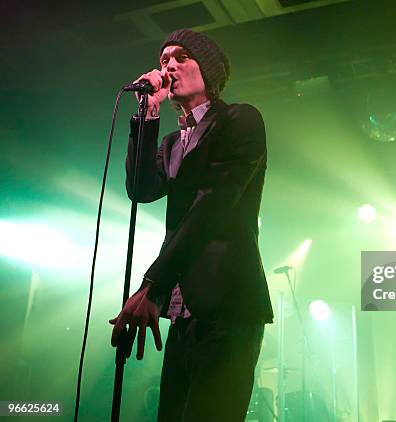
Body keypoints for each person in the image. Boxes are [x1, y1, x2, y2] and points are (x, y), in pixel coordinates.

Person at [109, 28, 274, 421]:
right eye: (164, 59)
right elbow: (140, 188)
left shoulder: (240, 120)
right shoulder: (170, 143)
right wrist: (147, 114)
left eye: (181, 57)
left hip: (229, 305)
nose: (169, 65)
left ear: (209, 70)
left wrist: (152, 284)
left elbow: (213, 205)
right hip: (184, 309)